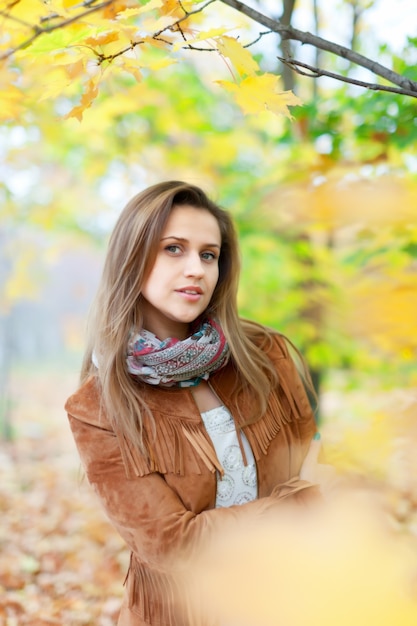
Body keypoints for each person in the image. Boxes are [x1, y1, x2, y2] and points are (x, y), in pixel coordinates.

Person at [65, 181, 321, 626]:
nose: (196, 270)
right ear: (132, 257)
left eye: (208, 254)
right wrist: (297, 504)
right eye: (173, 249)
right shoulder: (98, 407)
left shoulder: (266, 356)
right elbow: (173, 547)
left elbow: (323, 475)